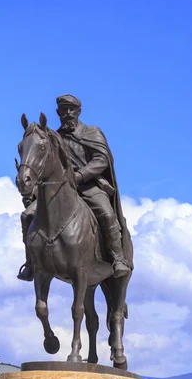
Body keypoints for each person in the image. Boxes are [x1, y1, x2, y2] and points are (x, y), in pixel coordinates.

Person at [17, 94, 132, 282]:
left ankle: (118, 258)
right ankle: (31, 262)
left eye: (71, 110)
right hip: (59, 191)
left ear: (78, 112)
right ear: (58, 113)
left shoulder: (92, 133)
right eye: (63, 110)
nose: (67, 114)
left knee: (107, 214)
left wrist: (78, 176)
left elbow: (101, 160)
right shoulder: (54, 137)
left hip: (88, 186)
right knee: (27, 215)